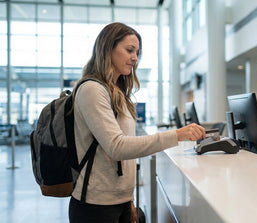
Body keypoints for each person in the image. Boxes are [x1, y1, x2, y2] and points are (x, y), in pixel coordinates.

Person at [68, 22, 206, 223]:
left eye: (137, 52)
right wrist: (177, 135)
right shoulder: (92, 89)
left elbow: (125, 157)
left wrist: (129, 199)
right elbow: (117, 147)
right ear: (108, 49)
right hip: (95, 205)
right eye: (129, 50)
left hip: (120, 201)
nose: (135, 57)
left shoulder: (117, 92)